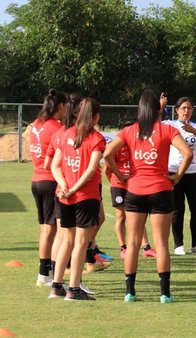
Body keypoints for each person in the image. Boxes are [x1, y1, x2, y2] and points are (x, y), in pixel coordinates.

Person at [103, 90, 192, 303]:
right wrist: (178, 176)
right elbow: (187, 153)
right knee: (161, 243)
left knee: (132, 243)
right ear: (157, 109)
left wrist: (121, 175)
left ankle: (130, 292)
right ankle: (164, 294)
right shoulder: (166, 130)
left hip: (135, 190)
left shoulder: (129, 131)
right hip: (161, 190)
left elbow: (107, 154)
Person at [49, 98, 105, 300]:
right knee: (81, 243)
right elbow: (91, 170)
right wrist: (72, 188)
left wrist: (64, 186)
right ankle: (73, 289)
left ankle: (56, 286)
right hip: (84, 197)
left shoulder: (65, 135)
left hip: (63, 196)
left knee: (66, 240)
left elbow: (55, 166)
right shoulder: (97, 138)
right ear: (96, 116)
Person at [163, 97, 196, 255]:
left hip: (195, 174)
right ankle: (179, 245)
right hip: (175, 173)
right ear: (176, 110)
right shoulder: (170, 125)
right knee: (177, 210)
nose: (186, 111)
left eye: (189, 108)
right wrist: (160, 106)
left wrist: (193, 130)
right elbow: (153, 123)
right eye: (183, 108)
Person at [30, 89, 67, 287]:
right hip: (50, 180)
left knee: (45, 228)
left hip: (36, 180)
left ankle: (44, 272)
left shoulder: (37, 123)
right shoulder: (55, 128)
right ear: (60, 106)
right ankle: (48, 274)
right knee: (53, 231)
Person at [104, 121, 156, 260]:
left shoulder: (138, 144)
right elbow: (107, 168)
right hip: (119, 184)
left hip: (134, 184)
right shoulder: (116, 146)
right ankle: (124, 248)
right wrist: (116, 182)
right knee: (121, 217)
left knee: (138, 215)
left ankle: (146, 247)